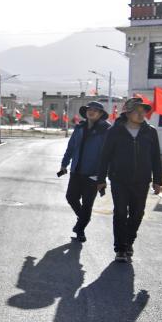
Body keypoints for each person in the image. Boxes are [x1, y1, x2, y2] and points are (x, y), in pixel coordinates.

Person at [97, 97, 162, 263]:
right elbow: (105, 156)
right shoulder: (114, 131)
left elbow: (156, 157)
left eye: (143, 111)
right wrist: (101, 179)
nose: (141, 114)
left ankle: (128, 242)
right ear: (127, 113)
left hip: (142, 181)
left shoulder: (150, 132)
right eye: (137, 111)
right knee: (120, 213)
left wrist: (158, 180)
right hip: (119, 179)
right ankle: (120, 248)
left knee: (137, 213)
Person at [59, 101, 112, 243]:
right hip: (76, 171)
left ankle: (80, 230)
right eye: (89, 109)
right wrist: (64, 164)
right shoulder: (79, 127)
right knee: (71, 197)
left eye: (95, 110)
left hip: (94, 173)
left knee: (87, 203)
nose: (91, 111)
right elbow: (71, 147)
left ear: (100, 114)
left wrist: (103, 174)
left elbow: (108, 154)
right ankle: (83, 218)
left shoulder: (106, 130)